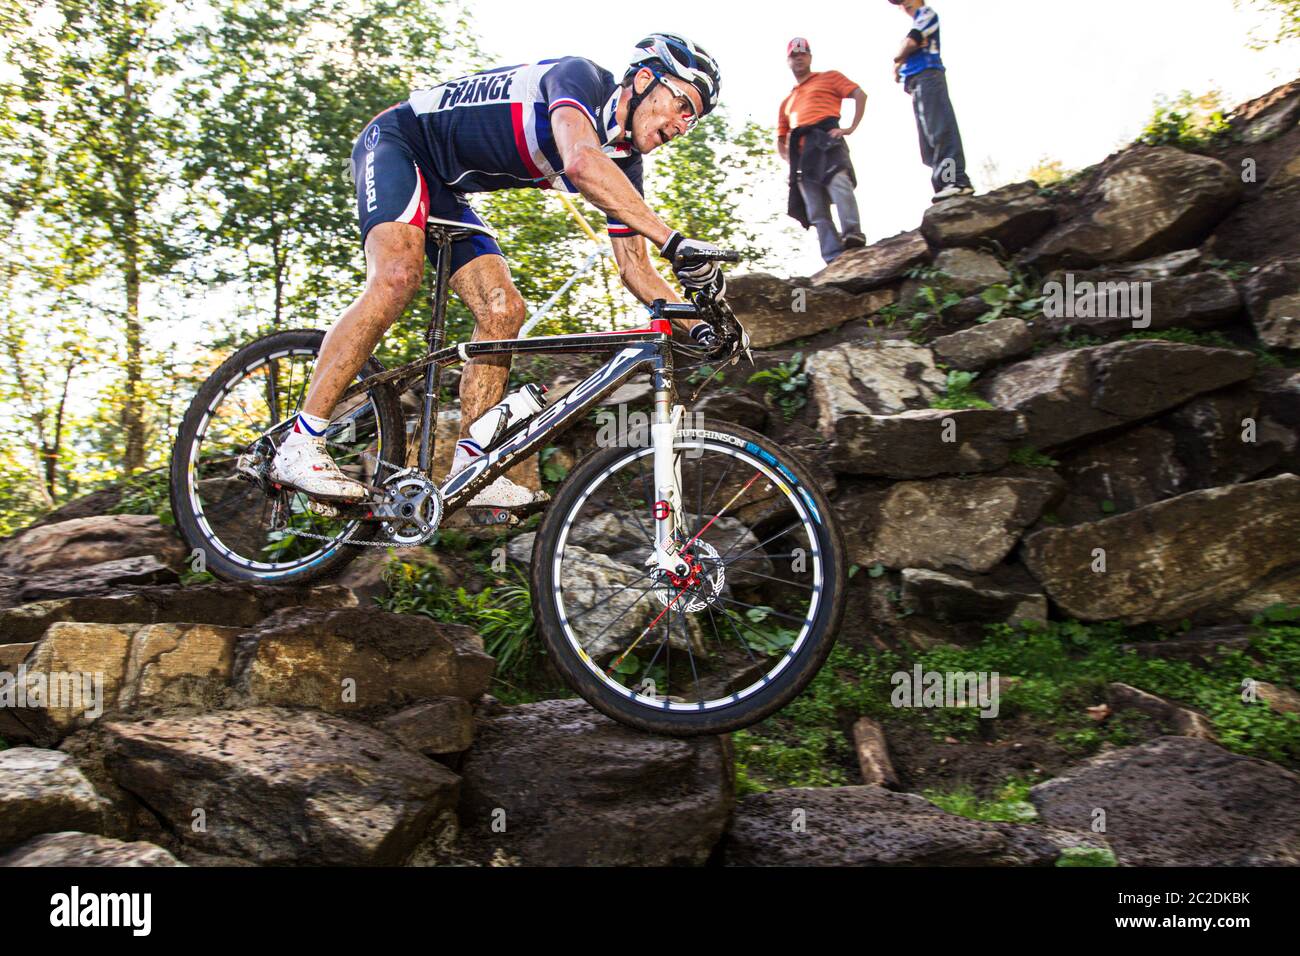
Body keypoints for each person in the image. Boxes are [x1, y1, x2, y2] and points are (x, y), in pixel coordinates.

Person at [268, 34, 727, 507]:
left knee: (503, 310)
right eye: (681, 104)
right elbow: (580, 161)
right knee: (397, 277)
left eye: (692, 119)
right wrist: (675, 240)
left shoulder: (623, 162)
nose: (682, 124)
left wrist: (705, 330)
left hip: (445, 186)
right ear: (645, 79)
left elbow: (635, 269)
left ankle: (471, 466)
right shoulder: (579, 79)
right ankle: (300, 444)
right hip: (399, 143)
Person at [777, 37, 868, 264]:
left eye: (803, 54)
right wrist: (790, 161)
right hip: (802, 153)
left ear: (810, 57)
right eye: (794, 55)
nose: (799, 58)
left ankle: (852, 234)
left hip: (827, 140)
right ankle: (833, 255)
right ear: (788, 60)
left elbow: (859, 94)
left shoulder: (829, 77)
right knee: (815, 208)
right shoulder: (787, 100)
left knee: (840, 184)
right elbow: (781, 137)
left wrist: (850, 128)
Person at [890, 0, 974, 201]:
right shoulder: (916, 23)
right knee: (928, 140)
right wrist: (904, 55)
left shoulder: (927, 14)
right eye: (899, 3)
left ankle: (955, 181)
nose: (904, 4)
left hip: (929, 76)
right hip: (917, 83)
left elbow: (910, 42)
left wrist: (899, 57)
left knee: (940, 129)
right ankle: (944, 185)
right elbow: (910, 44)